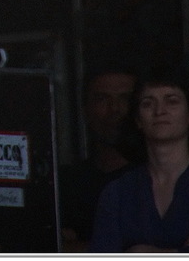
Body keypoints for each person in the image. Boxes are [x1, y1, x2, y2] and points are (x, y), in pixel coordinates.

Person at [89, 67, 189, 253]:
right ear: (138, 119)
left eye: (171, 101)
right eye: (148, 103)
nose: (159, 111)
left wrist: (140, 252)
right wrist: (184, 250)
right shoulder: (118, 192)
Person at [59, 64, 140, 251]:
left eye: (126, 99)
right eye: (102, 99)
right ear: (85, 109)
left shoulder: (159, 179)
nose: (115, 109)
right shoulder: (66, 183)